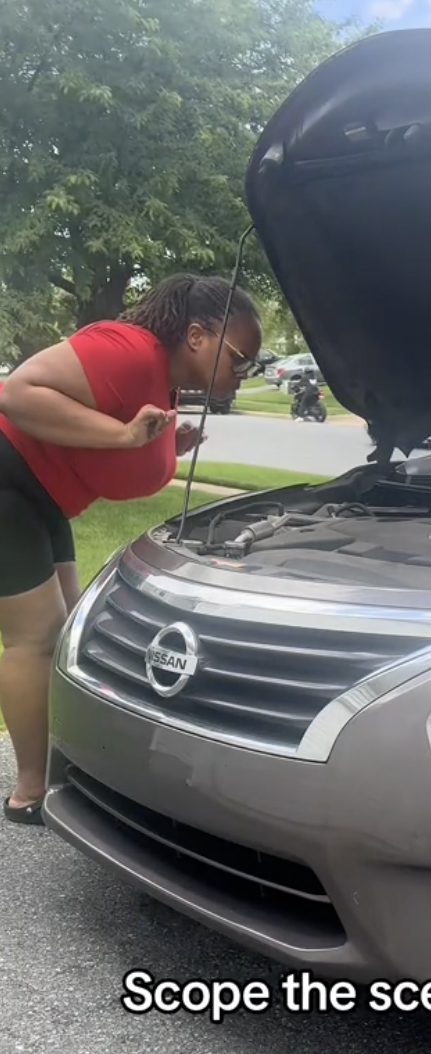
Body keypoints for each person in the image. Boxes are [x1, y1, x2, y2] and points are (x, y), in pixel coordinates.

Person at [0, 273, 262, 825]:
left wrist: (164, 440)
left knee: (72, 630)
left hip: (39, 495)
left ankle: (58, 759)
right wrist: (123, 437)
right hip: (7, 485)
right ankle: (29, 790)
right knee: (35, 637)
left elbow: (103, 428)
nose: (245, 374)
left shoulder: (162, 381)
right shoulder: (128, 350)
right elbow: (16, 393)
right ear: (197, 336)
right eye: (241, 359)